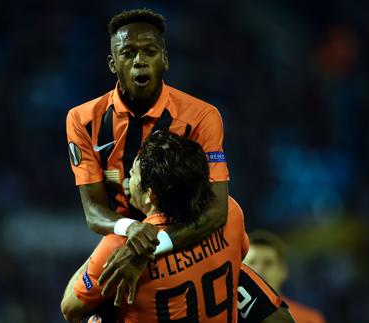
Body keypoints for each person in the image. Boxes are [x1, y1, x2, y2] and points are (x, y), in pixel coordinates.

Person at [66, 8, 232, 305]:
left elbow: (218, 212)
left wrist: (150, 247)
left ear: (164, 60)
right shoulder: (83, 119)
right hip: (120, 242)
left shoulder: (202, 117)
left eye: (150, 51)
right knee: (73, 309)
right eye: (128, 53)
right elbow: (93, 212)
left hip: (182, 242)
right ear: (112, 63)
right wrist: (132, 231)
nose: (140, 61)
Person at [62, 130, 247, 322]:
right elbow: (238, 258)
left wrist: (101, 249)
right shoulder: (230, 213)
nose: (127, 180)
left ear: (151, 195)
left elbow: (70, 309)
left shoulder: (120, 247)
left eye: (133, 173)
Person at [243, 230, 326, 323]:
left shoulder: (309, 320)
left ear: (283, 271)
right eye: (252, 262)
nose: (259, 270)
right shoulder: (227, 316)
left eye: (268, 263)